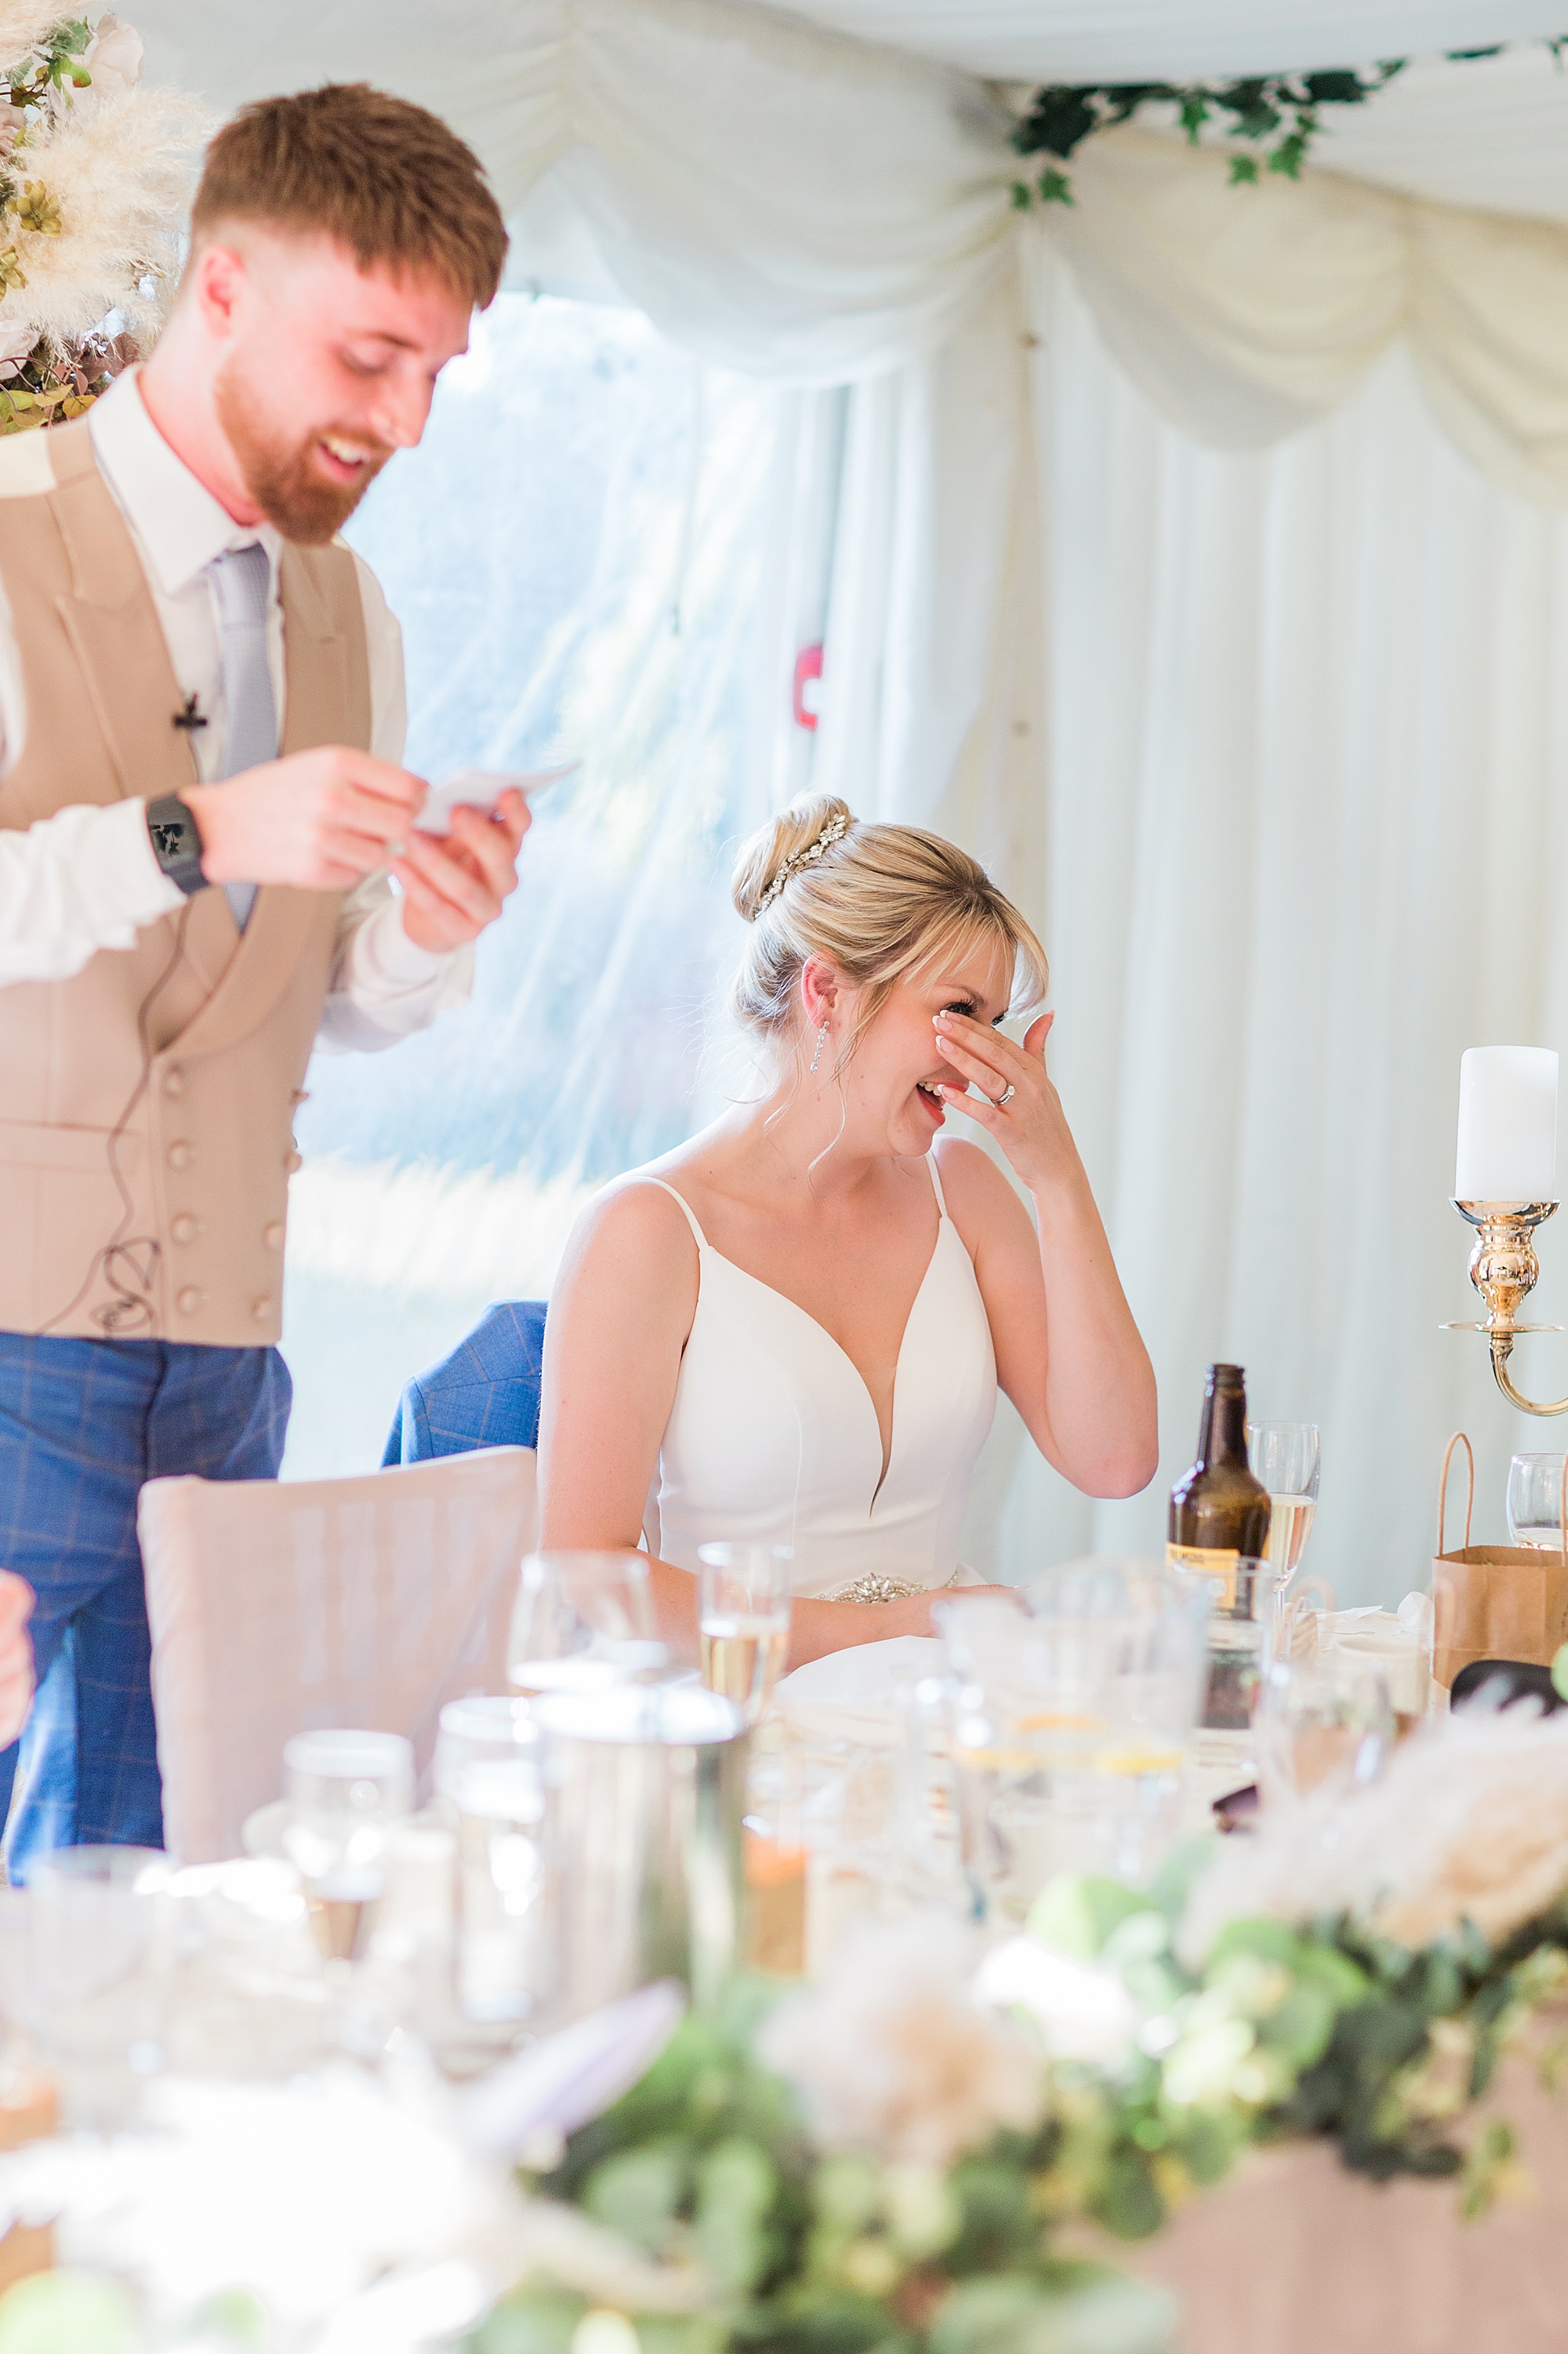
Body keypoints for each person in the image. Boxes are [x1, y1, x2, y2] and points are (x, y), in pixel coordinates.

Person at [0, 85, 527, 1874]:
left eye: (438, 374)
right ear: (218, 287)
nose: (405, 419)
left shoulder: (353, 612)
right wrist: (198, 830)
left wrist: (425, 934)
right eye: (370, 356)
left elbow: (318, 1004)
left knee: (158, 1868)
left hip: (227, 1361)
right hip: (7, 1351)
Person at [540, 795, 1158, 1666]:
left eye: (992, 1022)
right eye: (957, 1012)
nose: (981, 1055)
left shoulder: (966, 1195)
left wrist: (1056, 1176)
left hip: (934, 1705)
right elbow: (585, 1575)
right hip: (727, 1719)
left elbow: (1117, 1457)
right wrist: (886, 1630)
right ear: (825, 990)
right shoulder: (648, 1231)